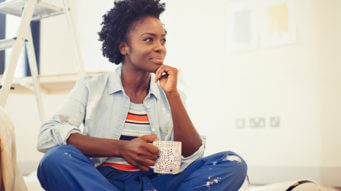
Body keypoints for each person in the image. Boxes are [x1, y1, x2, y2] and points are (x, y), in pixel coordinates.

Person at [36, 0, 248, 190]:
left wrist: (172, 95)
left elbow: (190, 156)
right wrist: (122, 148)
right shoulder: (91, 87)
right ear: (124, 47)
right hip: (102, 181)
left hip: (155, 182)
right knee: (55, 159)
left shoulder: (170, 93)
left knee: (233, 164)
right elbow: (47, 135)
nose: (160, 48)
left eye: (163, 41)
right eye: (149, 40)